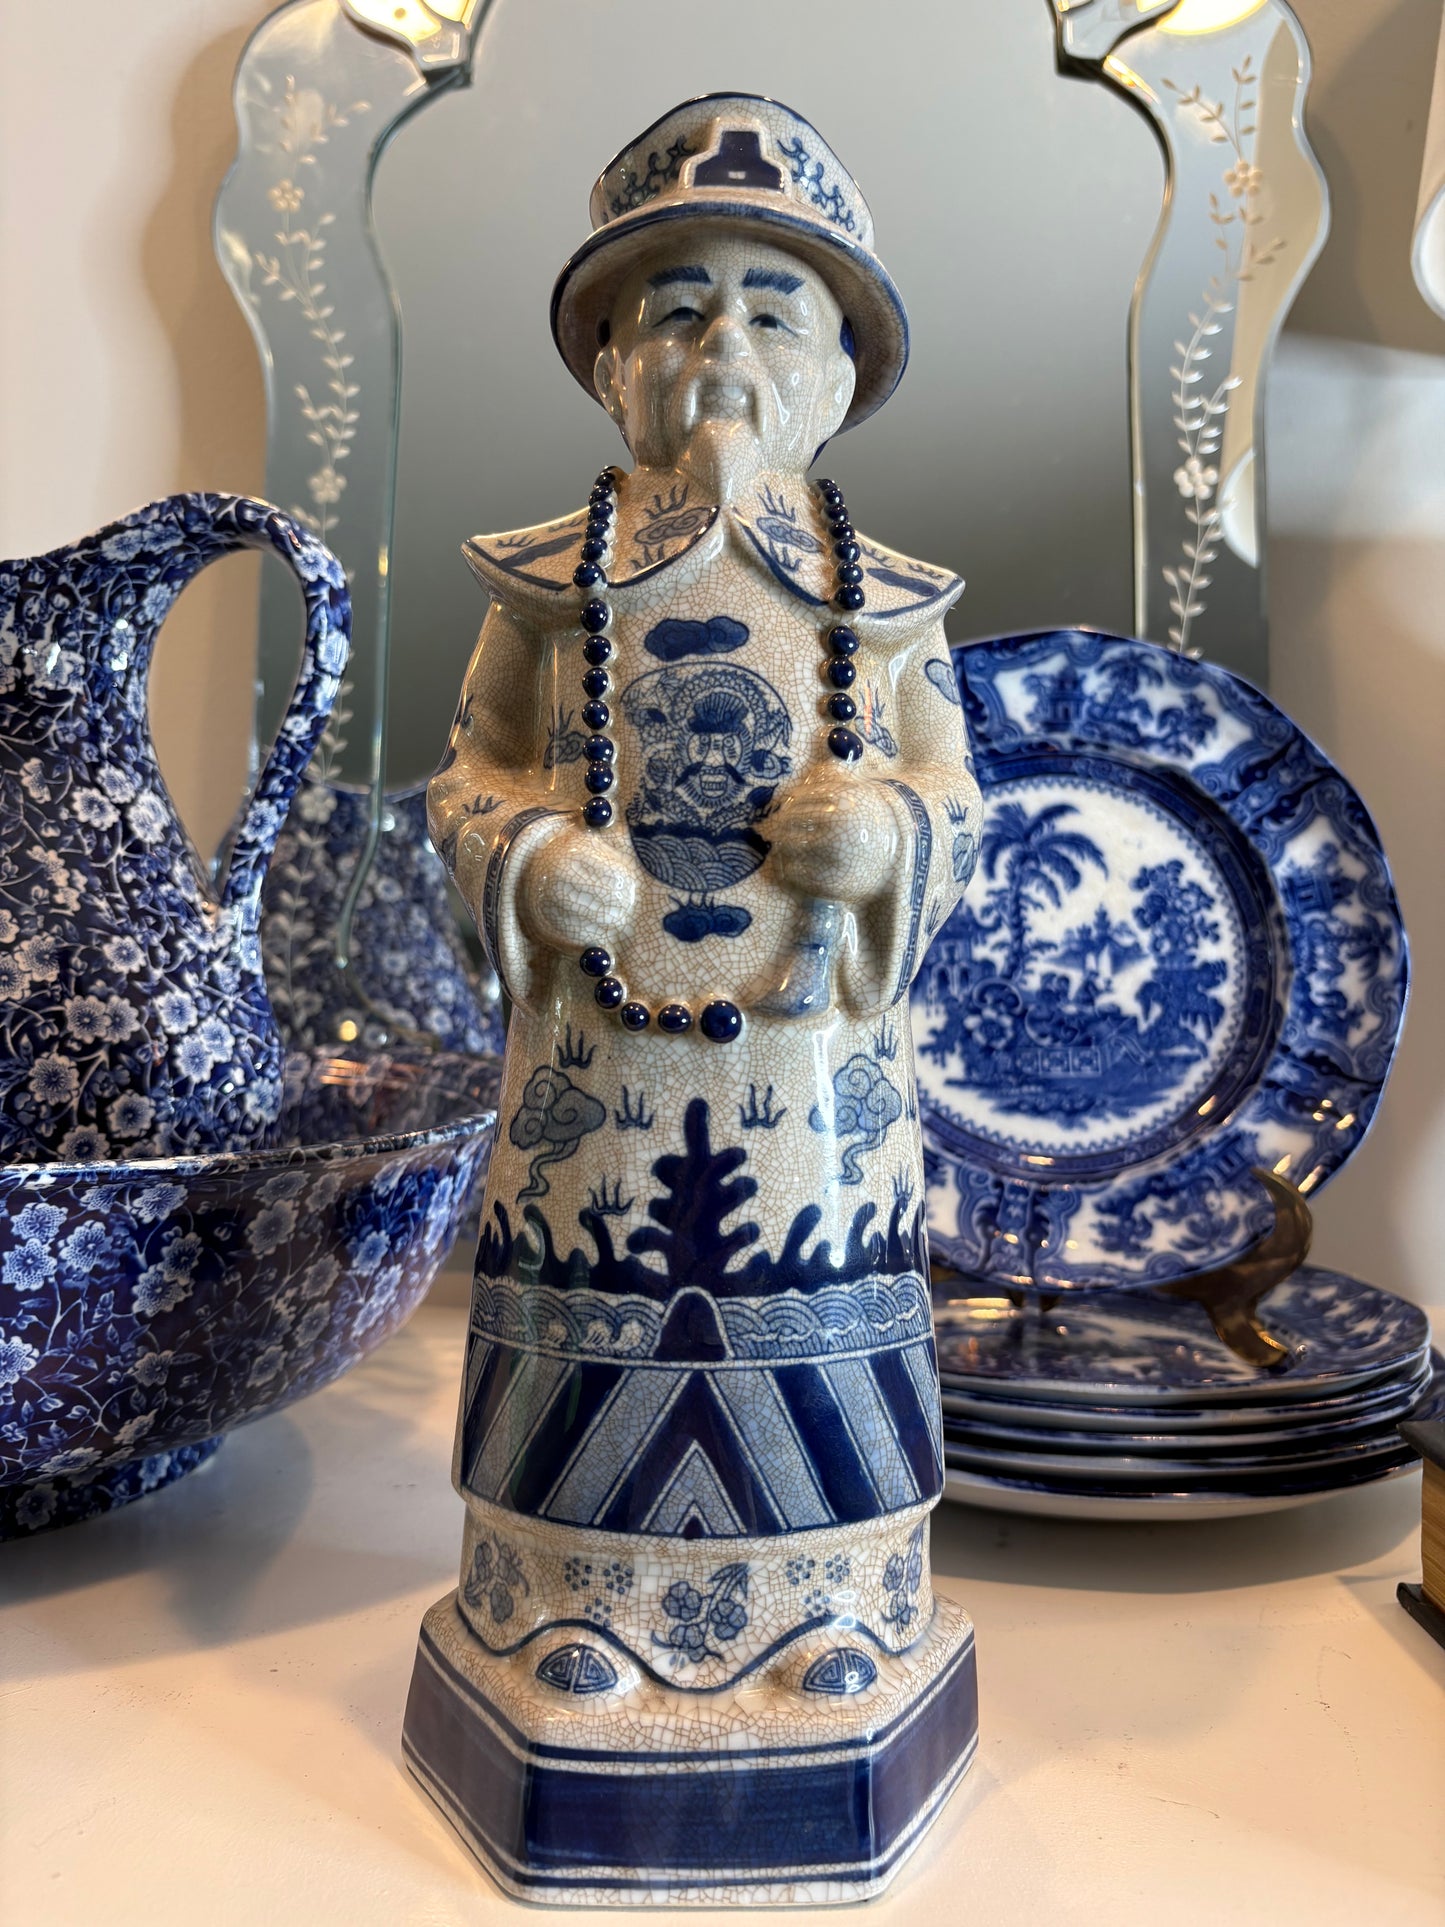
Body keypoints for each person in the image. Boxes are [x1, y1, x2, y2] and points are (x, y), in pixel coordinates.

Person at [407, 94, 984, 1902]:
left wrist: (886, 835)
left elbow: (959, 798)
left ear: (839, 374)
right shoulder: (543, 588)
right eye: (673, 305)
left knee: (817, 1332)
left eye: (770, 306)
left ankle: (830, 1625)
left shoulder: (886, 607)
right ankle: (570, 1618)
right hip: (596, 1075)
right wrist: (522, 857)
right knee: (582, 1320)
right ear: (608, 366)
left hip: (815, 1093)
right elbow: (466, 772)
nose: (720, 341)